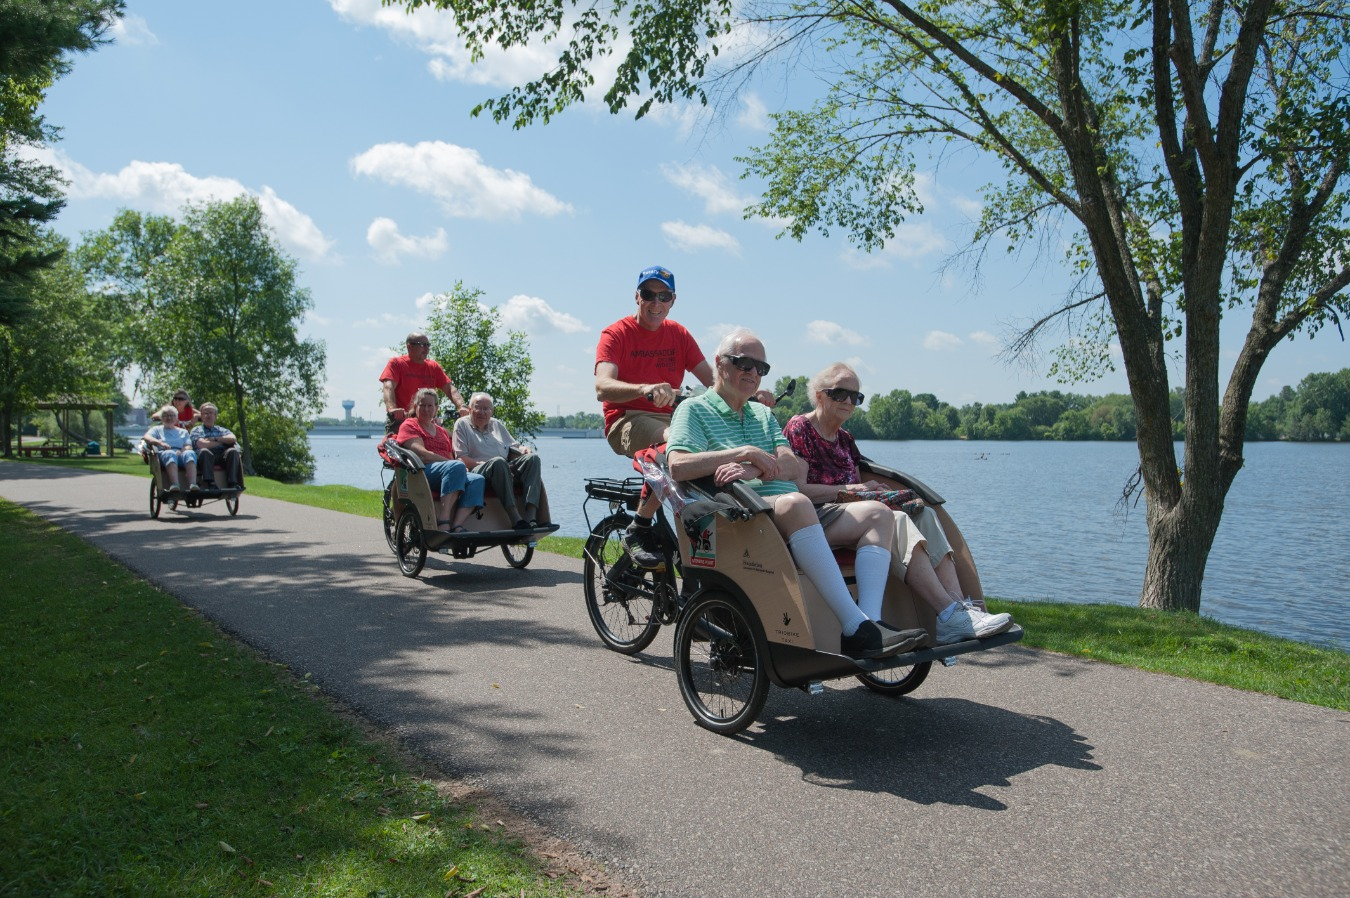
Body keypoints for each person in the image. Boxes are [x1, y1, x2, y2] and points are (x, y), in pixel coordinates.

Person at [665, 328, 929, 660]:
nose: (753, 373)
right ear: (720, 363)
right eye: (744, 363)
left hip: (790, 512)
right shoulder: (694, 410)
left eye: (761, 368)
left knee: (878, 514)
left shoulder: (762, 413)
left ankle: (870, 624)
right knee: (797, 501)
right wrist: (743, 453)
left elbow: (793, 466)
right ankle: (853, 625)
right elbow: (678, 466)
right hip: (741, 516)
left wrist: (756, 468)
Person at [782, 362, 1014, 644]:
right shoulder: (800, 428)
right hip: (817, 515)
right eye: (839, 394)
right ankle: (947, 612)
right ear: (819, 395)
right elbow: (798, 489)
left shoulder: (845, 439)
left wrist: (874, 491)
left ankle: (960, 609)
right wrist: (853, 489)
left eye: (855, 397)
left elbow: (857, 485)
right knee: (896, 519)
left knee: (925, 515)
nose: (848, 402)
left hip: (856, 512)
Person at [594, 265, 716, 569]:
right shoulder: (616, 334)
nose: (656, 303)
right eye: (649, 294)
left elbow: (714, 382)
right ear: (637, 296)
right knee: (676, 444)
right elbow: (602, 387)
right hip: (626, 418)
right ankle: (639, 526)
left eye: (664, 296)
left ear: (673, 300)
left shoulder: (678, 334)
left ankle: (698, 547)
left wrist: (748, 393)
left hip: (672, 419)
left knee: (714, 454)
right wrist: (644, 388)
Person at [396, 388, 485, 532]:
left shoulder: (442, 431)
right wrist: (451, 463)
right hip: (422, 472)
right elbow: (422, 454)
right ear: (415, 407)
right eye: (422, 405)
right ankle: (443, 520)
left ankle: (457, 525)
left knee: (477, 479)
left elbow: (457, 451)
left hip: (450, 471)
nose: (426, 409)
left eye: (430, 405)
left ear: (436, 408)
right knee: (455, 466)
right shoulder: (410, 425)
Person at [452, 392, 543, 529]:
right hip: (477, 471)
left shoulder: (497, 425)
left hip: (502, 468)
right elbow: (461, 458)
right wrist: (486, 464)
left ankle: (531, 517)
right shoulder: (461, 425)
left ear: (491, 411)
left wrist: (524, 449)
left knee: (533, 459)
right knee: (498, 462)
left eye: (486, 409)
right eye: (478, 408)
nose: (482, 412)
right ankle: (515, 518)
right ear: (470, 409)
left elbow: (514, 448)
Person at [380, 332, 469, 434]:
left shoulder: (433, 367)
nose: (426, 349)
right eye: (422, 345)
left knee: (450, 441)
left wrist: (462, 406)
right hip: (403, 419)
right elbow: (388, 387)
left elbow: (450, 389)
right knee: (402, 444)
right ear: (409, 347)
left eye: (428, 345)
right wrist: (393, 409)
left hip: (427, 419)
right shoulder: (397, 364)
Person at [142, 405, 199, 493]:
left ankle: (193, 484)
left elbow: (188, 445)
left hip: (181, 454)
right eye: (165, 415)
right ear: (161, 418)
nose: (169, 418)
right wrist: (160, 443)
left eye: (172, 415)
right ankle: (175, 484)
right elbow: (146, 437)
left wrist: (183, 450)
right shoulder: (156, 429)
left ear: (176, 418)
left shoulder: (183, 431)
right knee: (170, 453)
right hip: (164, 454)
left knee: (190, 453)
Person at [189, 402, 244, 490]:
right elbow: (202, 444)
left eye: (211, 413)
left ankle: (233, 483)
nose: (208, 416)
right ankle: (210, 483)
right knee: (204, 451)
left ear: (215, 416)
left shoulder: (222, 430)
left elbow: (233, 439)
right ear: (201, 416)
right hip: (204, 458)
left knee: (233, 451)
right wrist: (223, 441)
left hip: (221, 455)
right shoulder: (196, 430)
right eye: (205, 413)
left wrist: (214, 439)